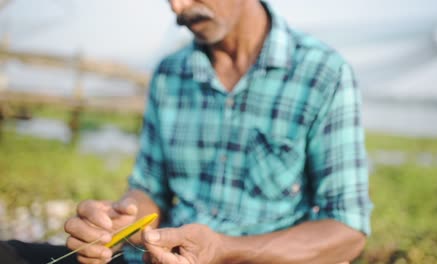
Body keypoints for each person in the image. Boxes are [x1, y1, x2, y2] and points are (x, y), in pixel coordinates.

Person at [5, 0, 372, 263]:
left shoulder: (323, 74)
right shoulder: (169, 74)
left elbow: (347, 231)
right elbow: (150, 190)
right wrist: (118, 222)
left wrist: (225, 249)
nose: (177, 8)